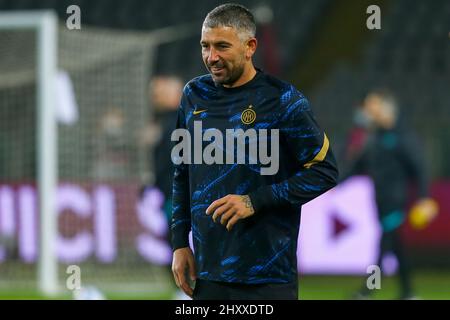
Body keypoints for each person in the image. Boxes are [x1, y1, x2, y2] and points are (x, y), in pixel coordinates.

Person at [170, 3, 338, 300]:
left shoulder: (283, 100)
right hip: (209, 273)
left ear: (250, 47)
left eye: (222, 46)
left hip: (269, 275)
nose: (211, 57)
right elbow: (182, 173)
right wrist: (179, 243)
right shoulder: (193, 95)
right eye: (205, 46)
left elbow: (325, 171)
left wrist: (255, 200)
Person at [343, 88, 434, 300]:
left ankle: (369, 289)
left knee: (383, 247)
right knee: (397, 248)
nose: (367, 111)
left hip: (396, 201)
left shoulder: (402, 137)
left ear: (386, 108)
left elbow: (419, 168)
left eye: (372, 106)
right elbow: (356, 167)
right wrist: (328, 182)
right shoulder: (373, 138)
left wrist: (423, 197)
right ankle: (408, 292)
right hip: (380, 201)